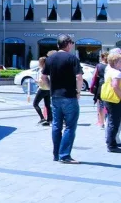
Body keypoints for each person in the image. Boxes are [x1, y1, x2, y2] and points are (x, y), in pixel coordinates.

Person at [42, 34, 84, 164]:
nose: (72, 45)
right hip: (69, 96)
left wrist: (51, 88)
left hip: (55, 96)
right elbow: (79, 77)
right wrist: (78, 92)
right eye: (71, 42)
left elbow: (43, 78)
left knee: (56, 125)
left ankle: (56, 154)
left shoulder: (50, 58)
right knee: (70, 126)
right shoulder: (72, 58)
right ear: (67, 43)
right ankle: (64, 155)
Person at [104, 52, 121, 153]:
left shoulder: (109, 70)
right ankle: (111, 145)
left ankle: (111, 142)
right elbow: (115, 86)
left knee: (111, 121)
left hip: (109, 98)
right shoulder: (117, 72)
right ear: (115, 62)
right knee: (114, 122)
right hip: (115, 99)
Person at [32, 57, 51, 126]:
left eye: (39, 62)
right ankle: (49, 119)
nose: (38, 63)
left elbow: (42, 80)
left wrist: (37, 81)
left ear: (41, 63)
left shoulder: (42, 70)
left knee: (35, 104)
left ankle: (42, 118)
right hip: (48, 89)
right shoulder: (49, 69)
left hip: (42, 89)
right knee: (48, 105)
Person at [93, 52, 109, 129]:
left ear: (102, 57)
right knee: (108, 104)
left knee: (101, 105)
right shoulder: (110, 66)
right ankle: (107, 120)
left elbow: (94, 76)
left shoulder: (99, 66)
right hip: (109, 86)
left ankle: (101, 122)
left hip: (101, 86)